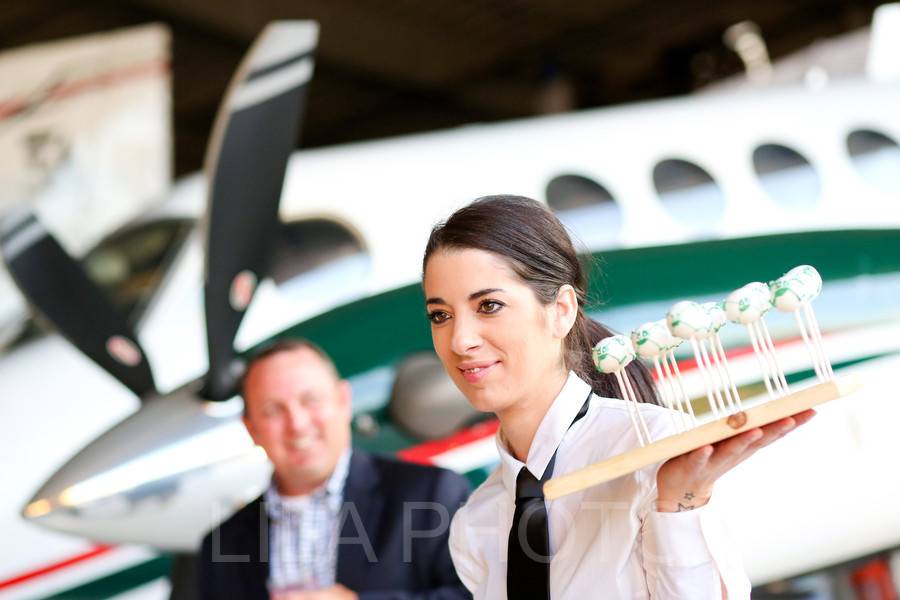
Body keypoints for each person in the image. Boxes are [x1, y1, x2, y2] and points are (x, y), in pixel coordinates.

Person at [421, 195, 814, 599]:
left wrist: (679, 502)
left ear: (560, 310)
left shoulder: (655, 444)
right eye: (441, 315)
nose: (461, 340)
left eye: (489, 306)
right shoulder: (476, 524)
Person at [198, 339, 472, 600]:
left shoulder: (431, 493)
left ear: (343, 401)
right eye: (273, 410)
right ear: (251, 428)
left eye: (310, 400)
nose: (298, 424)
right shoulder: (222, 544)